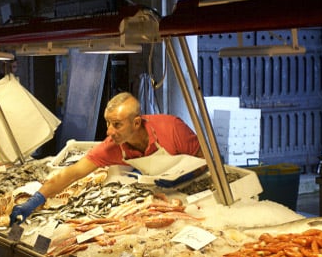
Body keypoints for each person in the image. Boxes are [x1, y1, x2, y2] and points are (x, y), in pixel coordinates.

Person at [11, 91, 203, 222]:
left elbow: (207, 162)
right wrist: (36, 199)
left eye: (117, 124)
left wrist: (185, 177)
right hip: (160, 203)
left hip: (194, 197)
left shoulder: (172, 128)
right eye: (107, 123)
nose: (109, 131)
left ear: (136, 123)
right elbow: (73, 173)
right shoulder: (112, 146)